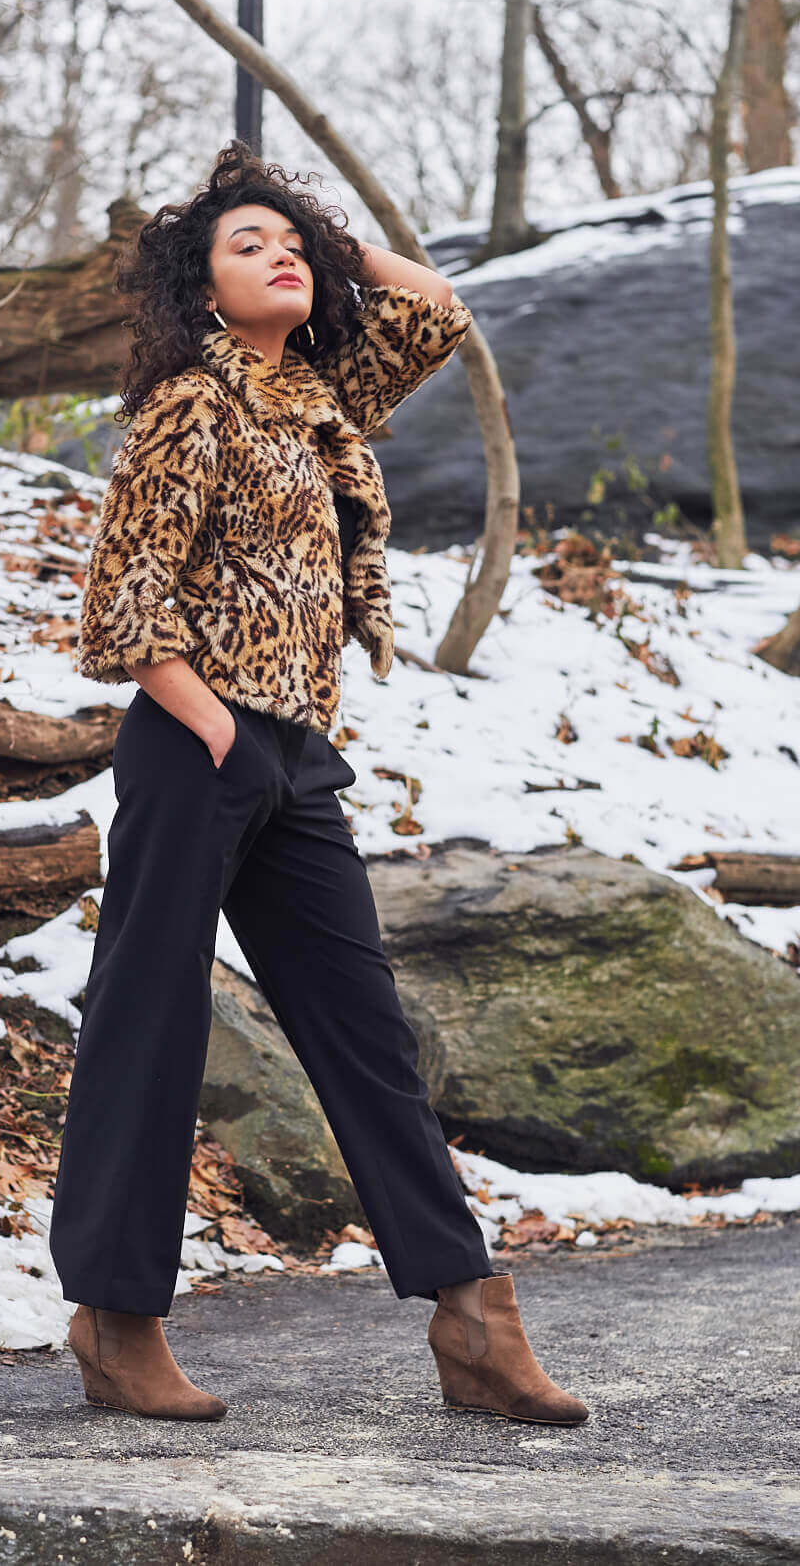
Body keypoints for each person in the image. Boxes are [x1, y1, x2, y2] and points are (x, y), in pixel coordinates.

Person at [49, 140, 588, 1429]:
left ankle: (470, 1314)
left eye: (288, 244)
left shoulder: (318, 396)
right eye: (247, 249)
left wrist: (307, 229)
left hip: (295, 753)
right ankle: (117, 1323)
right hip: (202, 744)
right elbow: (122, 601)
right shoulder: (190, 404)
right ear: (197, 290)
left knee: (362, 1029)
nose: (281, 254)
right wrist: (213, 727)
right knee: (153, 1022)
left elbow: (435, 312)